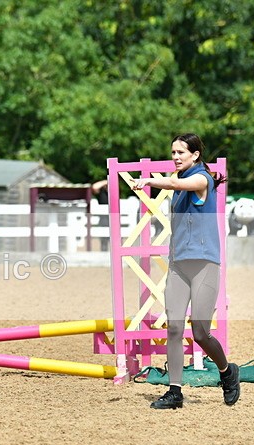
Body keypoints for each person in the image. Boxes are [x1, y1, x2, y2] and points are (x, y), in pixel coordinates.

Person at [132, 133, 240, 409]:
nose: (176, 156)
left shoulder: (201, 179)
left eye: (181, 152)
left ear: (195, 155)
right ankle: (175, 391)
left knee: (200, 332)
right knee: (175, 328)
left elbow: (174, 182)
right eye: (173, 152)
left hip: (204, 265)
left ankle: (228, 372)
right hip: (179, 265)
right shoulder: (180, 188)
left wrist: (150, 181)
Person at [91, 179, 109, 251]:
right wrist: (106, 181)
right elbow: (94, 187)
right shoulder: (102, 192)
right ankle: (104, 251)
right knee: (103, 239)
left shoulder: (114, 192)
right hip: (103, 218)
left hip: (112, 217)